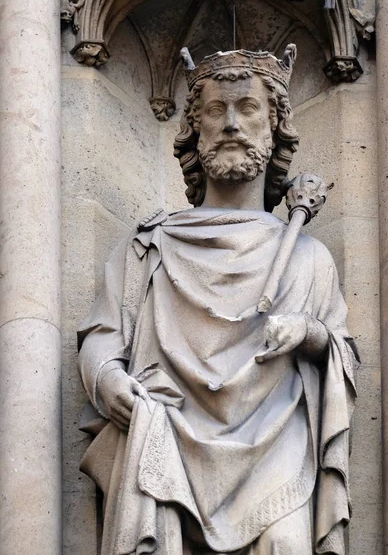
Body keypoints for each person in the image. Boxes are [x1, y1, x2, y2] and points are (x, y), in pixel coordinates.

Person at [78, 45, 358, 555]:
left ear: (273, 129)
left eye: (247, 108)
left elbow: (342, 354)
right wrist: (109, 379)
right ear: (195, 129)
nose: (231, 123)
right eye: (215, 109)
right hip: (167, 433)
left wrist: (308, 333)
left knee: (288, 545)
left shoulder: (310, 258)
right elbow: (103, 337)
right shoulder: (149, 247)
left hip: (276, 446)